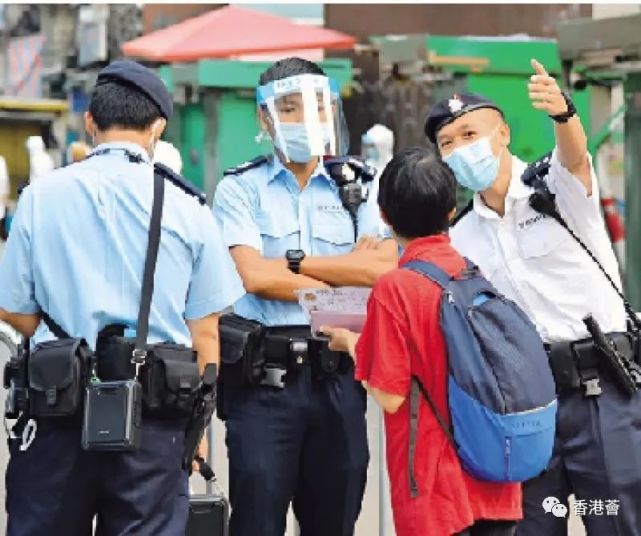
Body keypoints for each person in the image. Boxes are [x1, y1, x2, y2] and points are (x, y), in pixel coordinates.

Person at [0, 59, 244, 536]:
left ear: (90, 122)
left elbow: (12, 307)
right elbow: (205, 330)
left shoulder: (39, 197)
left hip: (56, 413)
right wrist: (197, 433)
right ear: (158, 128)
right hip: (154, 426)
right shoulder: (189, 207)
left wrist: (61, 335)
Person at [424, 59, 641, 536]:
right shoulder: (460, 237)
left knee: (618, 521)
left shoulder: (554, 187)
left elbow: (576, 157)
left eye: (469, 134)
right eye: (448, 144)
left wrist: (565, 115)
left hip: (599, 392)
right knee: (532, 527)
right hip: (528, 408)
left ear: (502, 134)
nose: (460, 149)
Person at [213, 56, 397, 536]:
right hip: (264, 383)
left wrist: (292, 270)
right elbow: (252, 276)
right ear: (265, 118)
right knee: (257, 519)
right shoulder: (239, 189)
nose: (305, 120)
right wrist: (344, 278)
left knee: (336, 517)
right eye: (291, 108)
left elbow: (381, 271)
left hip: (339, 378)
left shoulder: (357, 185)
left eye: (317, 106)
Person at [322, 147, 522, 536]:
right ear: (451, 212)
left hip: (435, 489)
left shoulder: (396, 287)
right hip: (495, 476)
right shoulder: (474, 272)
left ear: (383, 215)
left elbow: (390, 395)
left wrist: (352, 342)